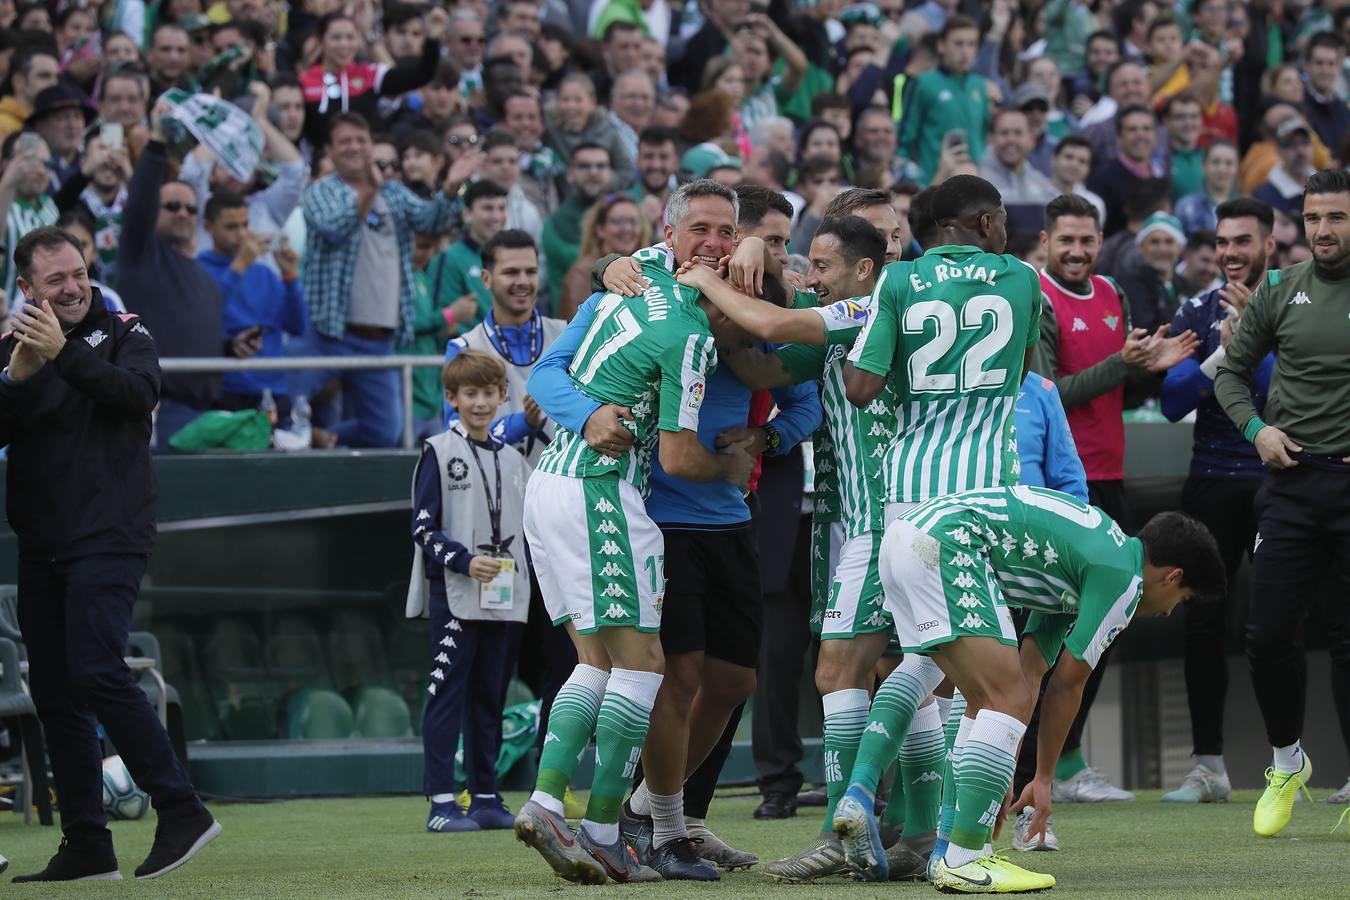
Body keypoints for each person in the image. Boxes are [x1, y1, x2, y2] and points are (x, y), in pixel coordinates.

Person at [513, 180, 755, 885]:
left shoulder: (635, 273)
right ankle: (604, 827)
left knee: (596, 661)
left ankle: (544, 802)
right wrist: (730, 465)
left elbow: (554, 363)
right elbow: (678, 456)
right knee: (644, 665)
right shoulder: (688, 335)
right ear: (672, 233)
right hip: (598, 489)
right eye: (701, 229)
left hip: (549, 485)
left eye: (726, 232)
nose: (714, 242)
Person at [822, 175, 1043, 883]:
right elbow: (1024, 368)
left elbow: (860, 389)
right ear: (982, 220)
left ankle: (881, 804)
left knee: (924, 652)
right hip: (985, 495)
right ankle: (952, 837)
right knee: (972, 670)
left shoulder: (899, 282)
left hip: (904, 496)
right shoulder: (1021, 279)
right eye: (1002, 219)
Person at [0, 226, 220, 882]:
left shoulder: (124, 328)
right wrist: (16, 375)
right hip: (41, 544)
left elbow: (138, 395)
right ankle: (86, 842)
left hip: (110, 534)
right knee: (54, 691)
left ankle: (182, 809)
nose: (71, 287)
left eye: (78, 273)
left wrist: (63, 354)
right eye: (55, 280)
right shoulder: (15, 351)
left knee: (95, 668)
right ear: (25, 289)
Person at [883, 486, 1222, 892]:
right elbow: (1067, 684)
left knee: (988, 697)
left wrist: (1004, 763)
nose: (1169, 611)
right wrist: (1043, 779)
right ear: (1173, 576)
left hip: (906, 536)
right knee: (1001, 697)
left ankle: (947, 848)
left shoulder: (1088, 555)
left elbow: (1032, 672)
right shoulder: (1124, 579)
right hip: (946, 542)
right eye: (1181, 599)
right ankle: (967, 859)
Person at [1026, 194, 1196, 816]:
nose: (1075, 251)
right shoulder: (1035, 297)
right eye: (1064, 240)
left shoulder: (1113, 294)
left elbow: (1115, 392)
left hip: (1111, 473)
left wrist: (1152, 370)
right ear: (1045, 241)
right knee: (1047, 629)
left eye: (1086, 240)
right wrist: (1122, 366)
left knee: (1102, 627)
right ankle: (1042, 766)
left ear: (1101, 241)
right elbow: (1050, 393)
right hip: (1057, 486)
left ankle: (1063, 763)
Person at [1213, 168, 1350, 839]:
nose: (1325, 230)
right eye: (1315, 217)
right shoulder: (1281, 289)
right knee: (1266, 636)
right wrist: (1256, 430)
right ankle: (1286, 762)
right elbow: (1231, 375)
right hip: (1292, 485)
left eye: (1338, 218)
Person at [1159, 197, 1277, 804]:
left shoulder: (1294, 302)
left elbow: (1284, 395)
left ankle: (1293, 763)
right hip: (1209, 479)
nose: (1231, 252)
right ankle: (1208, 768)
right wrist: (1223, 350)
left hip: (1280, 476)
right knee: (1203, 621)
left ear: (1269, 246)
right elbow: (1172, 400)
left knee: (1291, 622)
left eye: (1243, 242)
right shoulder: (1198, 309)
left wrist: (1253, 336)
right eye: (1223, 242)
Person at [406, 349, 530, 834]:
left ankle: (485, 797)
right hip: (454, 593)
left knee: (490, 699)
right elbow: (422, 527)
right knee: (446, 696)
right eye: (469, 394)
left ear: (503, 396)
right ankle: (440, 801)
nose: (480, 403)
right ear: (451, 399)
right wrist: (463, 559)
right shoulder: (437, 451)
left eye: (488, 393)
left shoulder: (516, 460)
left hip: (504, 594)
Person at [298, 112, 458, 448]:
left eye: (361, 139)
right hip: (328, 333)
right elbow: (334, 228)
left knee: (386, 432)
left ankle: (327, 439)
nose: (355, 147)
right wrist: (370, 191)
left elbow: (431, 221)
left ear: (371, 145)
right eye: (345, 141)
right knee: (286, 405)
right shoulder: (319, 192)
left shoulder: (394, 193)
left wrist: (450, 187)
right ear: (329, 149)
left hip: (380, 339)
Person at [115, 102, 243, 449]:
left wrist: (230, 349)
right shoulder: (141, 254)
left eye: (190, 207)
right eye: (172, 206)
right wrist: (156, 143)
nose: (183, 213)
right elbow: (140, 199)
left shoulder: (202, 275)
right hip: (162, 410)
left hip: (206, 410)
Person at [197, 190, 308, 422]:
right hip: (224, 391)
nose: (241, 235)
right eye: (231, 227)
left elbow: (298, 326)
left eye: (245, 225)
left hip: (273, 392)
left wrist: (290, 276)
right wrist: (239, 267)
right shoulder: (196, 271)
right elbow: (204, 315)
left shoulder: (265, 273)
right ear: (208, 227)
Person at [298, 11, 444, 149]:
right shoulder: (304, 81)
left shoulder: (370, 74)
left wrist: (432, 39)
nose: (344, 44)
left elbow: (421, 75)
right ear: (321, 41)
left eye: (350, 37)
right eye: (336, 38)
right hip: (321, 166)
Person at [898, 16, 987, 184]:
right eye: (958, 43)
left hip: (974, 182)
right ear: (941, 45)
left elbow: (982, 136)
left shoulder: (980, 86)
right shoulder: (923, 83)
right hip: (933, 181)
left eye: (971, 44)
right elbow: (906, 136)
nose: (965, 51)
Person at [427, 179, 508, 335]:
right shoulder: (449, 259)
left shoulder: (509, 259)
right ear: (467, 214)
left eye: (502, 208)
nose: (496, 216)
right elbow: (444, 328)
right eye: (488, 208)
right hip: (472, 356)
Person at [541, 142, 613, 301]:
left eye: (600, 166)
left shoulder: (620, 212)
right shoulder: (557, 224)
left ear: (611, 173)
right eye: (584, 166)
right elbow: (590, 267)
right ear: (570, 173)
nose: (593, 172)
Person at [559, 193, 646, 321]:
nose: (627, 228)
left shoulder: (650, 265)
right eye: (618, 222)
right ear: (600, 229)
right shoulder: (581, 273)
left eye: (634, 221)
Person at [0, 130, 57, 313]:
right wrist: (9, 180)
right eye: (31, 162)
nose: (41, 171)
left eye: (46, 164)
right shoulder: (5, 202)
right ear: (6, 164)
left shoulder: (50, 207)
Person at [1252, 118, 1315, 219]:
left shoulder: (1326, 188)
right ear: (1278, 150)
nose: (1300, 151)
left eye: (1305, 143)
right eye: (1291, 145)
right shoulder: (1264, 197)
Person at [1175, 140, 1238, 234]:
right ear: (1203, 166)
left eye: (1229, 163)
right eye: (1215, 162)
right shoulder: (1185, 207)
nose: (1222, 169)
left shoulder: (1245, 209)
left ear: (1237, 168)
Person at [0, 46, 59, 139]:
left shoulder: (51, 125)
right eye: (44, 76)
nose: (54, 83)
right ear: (19, 82)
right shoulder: (2, 125)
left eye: (57, 77)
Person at [1048, 136, 1107, 226]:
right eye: (1069, 157)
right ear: (1053, 160)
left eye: (1082, 161)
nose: (1074, 164)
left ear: (1088, 169)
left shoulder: (1094, 203)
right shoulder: (1034, 195)